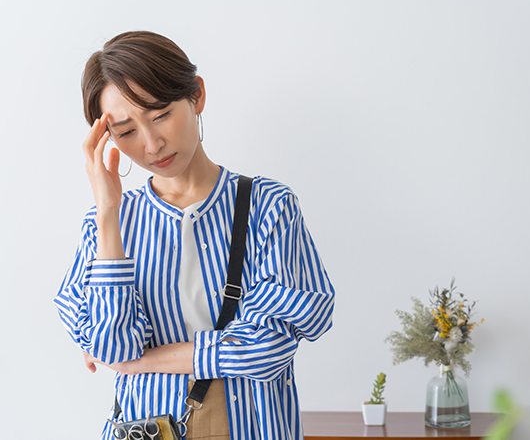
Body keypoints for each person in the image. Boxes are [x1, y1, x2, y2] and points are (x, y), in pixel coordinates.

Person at [54, 31, 335, 440]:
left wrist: (143, 361)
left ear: (197, 95)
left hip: (250, 426)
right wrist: (108, 214)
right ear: (106, 139)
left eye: (161, 114)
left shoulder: (267, 207)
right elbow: (113, 349)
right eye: (126, 131)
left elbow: (266, 350)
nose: (152, 144)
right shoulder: (105, 226)